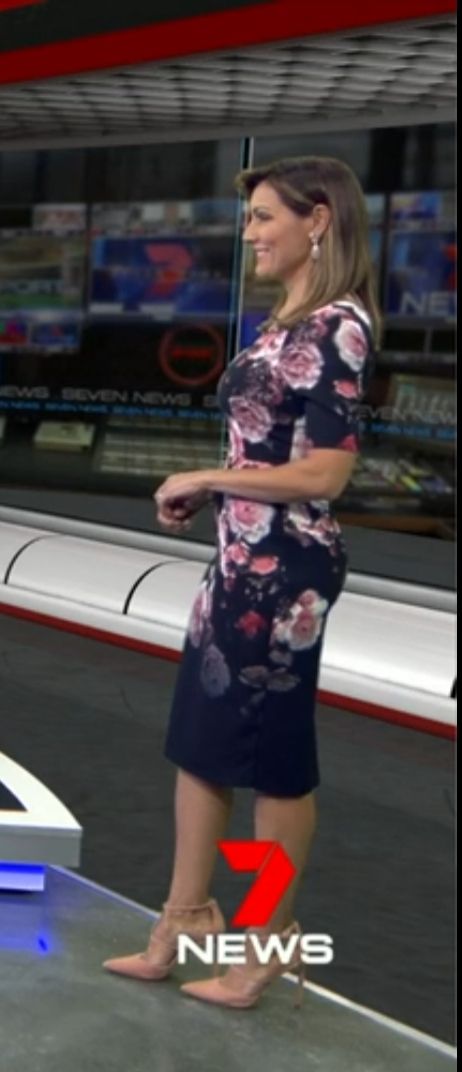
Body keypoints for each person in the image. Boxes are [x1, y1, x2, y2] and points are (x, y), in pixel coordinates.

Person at [103, 156, 380, 1009]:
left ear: (318, 220)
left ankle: (267, 940)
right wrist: (216, 493)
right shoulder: (282, 323)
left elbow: (325, 474)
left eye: (265, 217)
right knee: (200, 742)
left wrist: (208, 477)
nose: (250, 232)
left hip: (286, 576)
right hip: (236, 563)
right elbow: (262, 452)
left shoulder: (338, 326)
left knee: (271, 762)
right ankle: (185, 917)